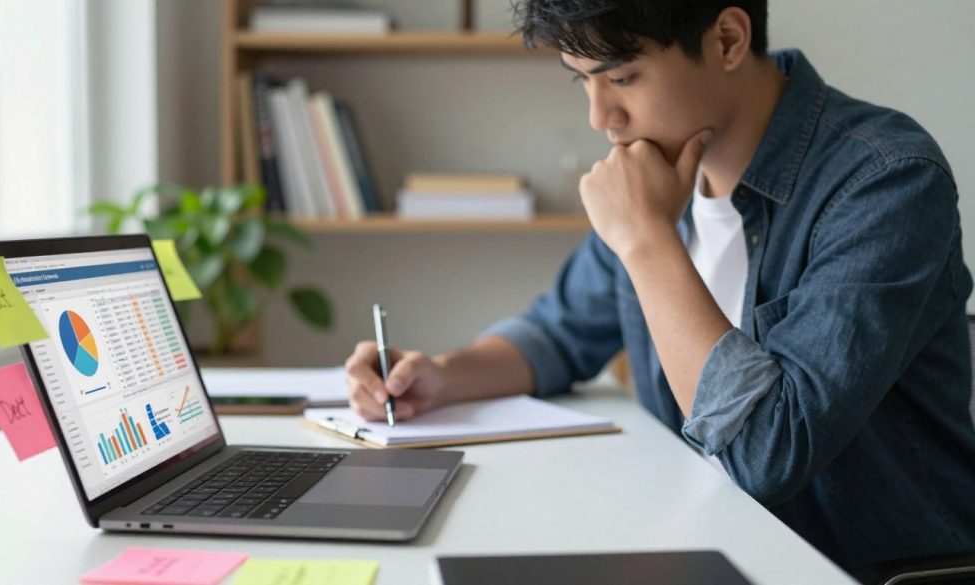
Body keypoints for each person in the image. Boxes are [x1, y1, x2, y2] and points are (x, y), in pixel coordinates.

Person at [343, 0, 975, 572]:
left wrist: (647, 240)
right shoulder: (654, 164)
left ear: (727, 39)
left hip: (846, 567)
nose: (601, 116)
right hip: (696, 538)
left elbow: (766, 453)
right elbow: (560, 333)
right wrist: (438, 375)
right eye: (581, 79)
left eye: (622, 77)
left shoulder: (886, 181)